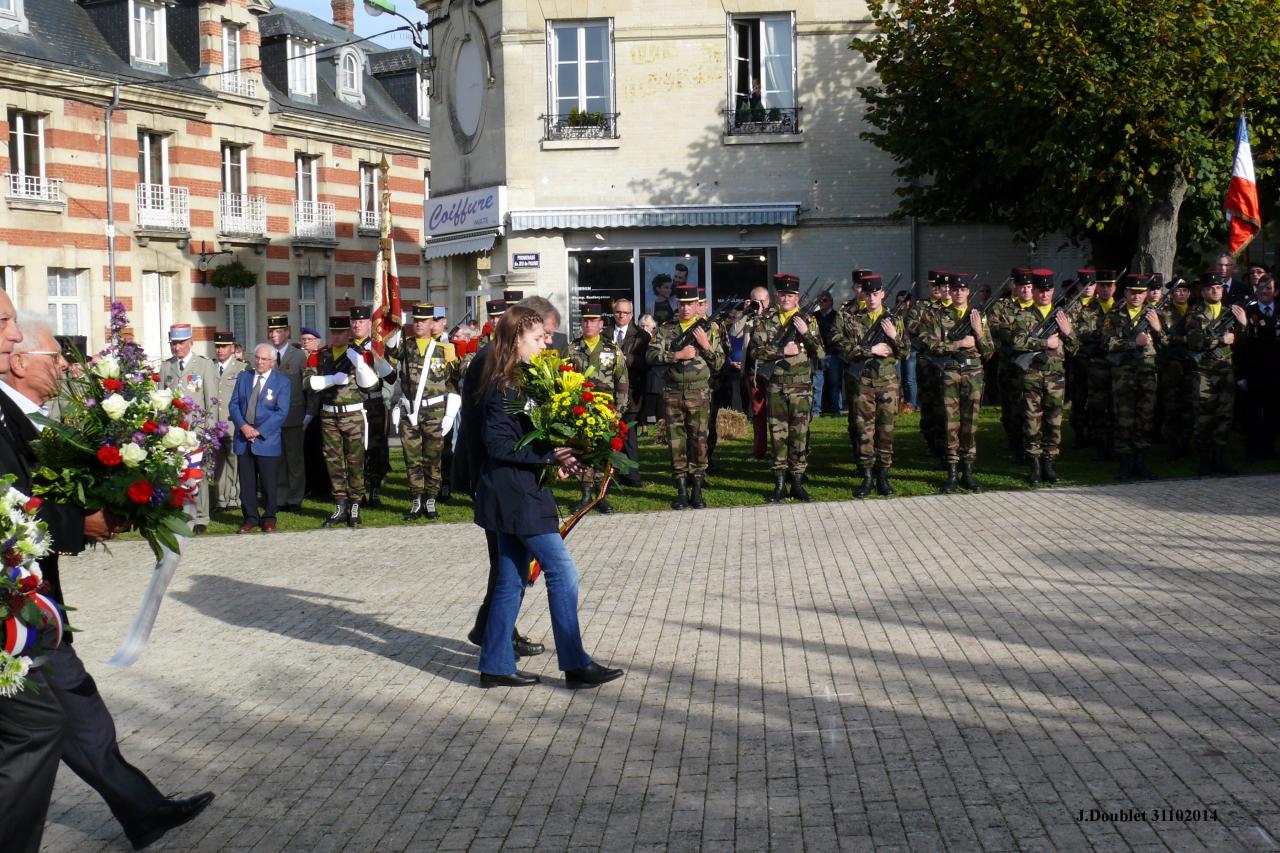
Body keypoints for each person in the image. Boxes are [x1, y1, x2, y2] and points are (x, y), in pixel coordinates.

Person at [0, 305, 213, 852]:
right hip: (15, 612)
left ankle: (143, 811)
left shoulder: (25, 416)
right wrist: (80, 522)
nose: (67, 368)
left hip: (32, 602)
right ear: (20, 361)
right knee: (39, 726)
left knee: (71, 711)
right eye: (56, 356)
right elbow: (11, 509)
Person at [471, 305, 624, 689]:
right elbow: (497, 443)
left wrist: (555, 455)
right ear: (515, 340)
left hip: (516, 490)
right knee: (562, 572)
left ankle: (495, 665)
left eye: (545, 336)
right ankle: (575, 663)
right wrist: (546, 456)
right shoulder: (504, 385)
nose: (547, 343)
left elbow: (524, 438)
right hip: (516, 496)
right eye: (538, 338)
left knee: (510, 579)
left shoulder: (521, 380)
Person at [455, 297, 553, 661]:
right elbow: (493, 432)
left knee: (508, 564)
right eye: (541, 336)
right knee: (509, 564)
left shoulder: (505, 363)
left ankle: (491, 630)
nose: (546, 344)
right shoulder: (492, 365)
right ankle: (496, 634)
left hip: (503, 476)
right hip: (497, 477)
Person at [648, 283, 724, 509]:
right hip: (672, 393)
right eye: (681, 304)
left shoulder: (708, 329)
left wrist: (705, 345)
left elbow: (719, 363)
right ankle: (681, 490)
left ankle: (697, 488)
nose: (685, 309)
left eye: (689, 304)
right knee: (676, 441)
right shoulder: (665, 329)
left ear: (696, 305)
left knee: (699, 441)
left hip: (699, 393)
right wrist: (677, 355)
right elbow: (651, 355)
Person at [752, 273, 824, 503]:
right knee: (778, 434)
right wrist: (783, 352)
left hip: (801, 386)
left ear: (797, 297)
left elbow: (821, 353)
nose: (786, 298)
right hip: (776, 386)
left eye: (790, 295)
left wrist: (805, 333)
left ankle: (798, 483)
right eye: (782, 294)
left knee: (799, 435)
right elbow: (757, 352)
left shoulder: (808, 320)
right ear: (776, 295)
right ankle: (780, 484)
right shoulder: (765, 320)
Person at [305, 315, 383, 528]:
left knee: (355, 460)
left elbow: (371, 386)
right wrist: (330, 379)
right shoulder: (320, 355)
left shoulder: (362, 355)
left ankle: (355, 504)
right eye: (334, 332)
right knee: (333, 461)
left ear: (349, 334)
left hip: (353, 414)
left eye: (341, 332)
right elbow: (307, 381)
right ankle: (340, 504)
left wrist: (359, 365)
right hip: (329, 414)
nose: (337, 336)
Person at [835, 273, 907, 498]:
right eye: (868, 294)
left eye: (876, 294)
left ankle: (883, 476)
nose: (872, 298)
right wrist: (870, 350)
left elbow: (905, 351)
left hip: (887, 382)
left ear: (883, 294)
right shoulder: (851, 317)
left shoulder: (893, 320)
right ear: (863, 295)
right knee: (864, 430)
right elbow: (840, 346)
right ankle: (867, 476)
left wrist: (894, 337)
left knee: (886, 430)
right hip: (862, 383)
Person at [924, 273, 993, 493]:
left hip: (973, 374)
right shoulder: (938, 315)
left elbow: (989, 352)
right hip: (950, 373)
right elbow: (932, 346)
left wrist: (980, 334)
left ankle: (968, 471)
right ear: (949, 292)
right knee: (950, 423)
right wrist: (958, 344)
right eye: (954, 290)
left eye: (962, 290)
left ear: (968, 292)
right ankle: (952, 472)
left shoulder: (977, 316)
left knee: (970, 422)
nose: (958, 293)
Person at [390, 304, 458, 521]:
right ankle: (416, 498)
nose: (418, 324)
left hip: (434, 411)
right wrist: (393, 324)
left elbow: (452, 383)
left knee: (433, 457)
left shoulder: (444, 350)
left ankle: (431, 498)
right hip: (410, 411)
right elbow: (387, 353)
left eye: (423, 321)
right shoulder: (405, 347)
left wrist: (450, 413)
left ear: (432, 323)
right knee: (411, 457)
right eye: (416, 320)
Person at [1010, 270, 1076, 484]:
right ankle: (1034, 465)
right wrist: (1044, 343)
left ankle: (1049, 463)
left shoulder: (1062, 316)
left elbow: (1075, 348)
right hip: (1032, 375)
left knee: (1054, 421)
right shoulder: (1023, 315)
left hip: (1056, 376)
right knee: (1031, 421)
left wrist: (1068, 333)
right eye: (1040, 290)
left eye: (1048, 290)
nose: (1044, 294)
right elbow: (1018, 342)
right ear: (1035, 291)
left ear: (1053, 291)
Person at [1102, 274, 1163, 480]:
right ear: (1126, 293)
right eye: (1133, 292)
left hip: (1146, 373)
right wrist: (1132, 343)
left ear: (1146, 294)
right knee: (1124, 419)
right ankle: (1125, 463)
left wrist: (1158, 329)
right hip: (1124, 374)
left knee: (1145, 418)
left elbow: (1168, 343)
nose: (1137, 296)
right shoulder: (1115, 315)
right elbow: (1107, 343)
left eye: (1141, 293)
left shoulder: (1155, 313)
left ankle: (1141, 461)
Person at [569, 303, 628, 514]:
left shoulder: (612, 349)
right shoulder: (573, 348)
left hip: (606, 409)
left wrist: (619, 409)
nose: (588, 324)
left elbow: (622, 378)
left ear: (601, 324)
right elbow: (564, 377)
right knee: (583, 450)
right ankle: (585, 494)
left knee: (604, 450)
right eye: (585, 320)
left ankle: (602, 495)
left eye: (593, 320)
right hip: (581, 410)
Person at [159, 323, 218, 533]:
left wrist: (209, 430)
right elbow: (162, 399)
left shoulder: (203, 365)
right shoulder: (167, 366)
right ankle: (179, 514)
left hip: (197, 428)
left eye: (181, 343)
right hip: (174, 430)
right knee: (175, 473)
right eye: (174, 344)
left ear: (191, 342)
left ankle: (202, 516)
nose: (177, 348)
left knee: (196, 474)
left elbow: (211, 399)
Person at [1187, 272, 1248, 475]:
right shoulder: (1195, 313)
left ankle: (1220, 459)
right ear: (1203, 291)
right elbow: (1195, 341)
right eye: (1211, 288)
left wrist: (1244, 323)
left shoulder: (1230, 312)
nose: (1215, 291)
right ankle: (1204, 461)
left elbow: (1245, 341)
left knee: (1224, 417)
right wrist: (1220, 340)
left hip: (1225, 371)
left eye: (1219, 287)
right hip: (1204, 372)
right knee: (1204, 417)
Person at [229, 344, 292, 533]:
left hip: (267, 439)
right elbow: (234, 405)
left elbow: (281, 413)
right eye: (257, 357)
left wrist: (259, 431)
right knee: (247, 483)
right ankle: (250, 517)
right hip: (243, 437)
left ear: (272, 362)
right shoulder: (244, 377)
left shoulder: (282, 382)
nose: (259, 362)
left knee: (268, 482)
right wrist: (244, 427)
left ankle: (269, 517)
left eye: (264, 359)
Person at [348, 305, 391, 506]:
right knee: (353, 449)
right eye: (354, 321)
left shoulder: (378, 347)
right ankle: (357, 490)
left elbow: (390, 376)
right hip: (353, 404)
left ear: (369, 324)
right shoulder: (346, 348)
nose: (357, 324)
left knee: (376, 446)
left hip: (373, 402)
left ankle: (374, 488)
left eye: (361, 321)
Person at [266, 315, 310, 510]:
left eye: (278, 331)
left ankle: (295, 497)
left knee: (295, 459)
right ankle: (279, 497)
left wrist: (309, 412)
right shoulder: (265, 354)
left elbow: (307, 385)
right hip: (271, 417)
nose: (274, 335)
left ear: (287, 332)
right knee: (277, 459)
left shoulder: (299, 355)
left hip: (293, 414)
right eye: (272, 331)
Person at [1239, 274, 1280, 458]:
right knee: (1253, 412)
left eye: (1268, 288)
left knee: (1273, 412)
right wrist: (1241, 375)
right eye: (1261, 288)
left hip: (1276, 371)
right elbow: (1241, 345)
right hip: (1254, 371)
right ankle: (1253, 450)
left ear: (1276, 291)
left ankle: (1269, 448)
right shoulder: (1248, 312)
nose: (1264, 291)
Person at [611, 298, 648, 486]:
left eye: (624, 313)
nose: (620, 315)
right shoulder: (605, 334)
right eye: (617, 312)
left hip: (631, 393)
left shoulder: (641, 336)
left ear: (631, 315)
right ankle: (612, 474)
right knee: (610, 435)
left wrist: (628, 359)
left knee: (629, 436)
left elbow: (648, 362)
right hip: (608, 393)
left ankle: (632, 475)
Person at [1157, 277, 1195, 458]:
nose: (1182, 293)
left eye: (1185, 291)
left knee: (1190, 405)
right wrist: (1182, 340)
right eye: (1178, 291)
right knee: (1172, 406)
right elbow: (1161, 338)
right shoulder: (1162, 312)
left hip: (1191, 364)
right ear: (1171, 294)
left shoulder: (1195, 311)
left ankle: (1186, 444)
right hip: (1172, 365)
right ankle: (1172, 445)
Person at [1064, 270, 1098, 448]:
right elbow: (1069, 334)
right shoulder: (1071, 307)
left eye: (1091, 284)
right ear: (1078, 286)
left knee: (1096, 398)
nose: (1087, 288)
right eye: (1084, 284)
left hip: (1097, 360)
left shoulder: (1101, 306)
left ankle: (1094, 433)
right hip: (1078, 359)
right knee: (1078, 398)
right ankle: (1078, 433)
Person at [211, 330, 244, 511]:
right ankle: (220, 498)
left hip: (232, 422)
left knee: (234, 460)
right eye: (217, 347)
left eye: (223, 346)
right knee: (217, 463)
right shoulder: (210, 367)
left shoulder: (241, 369)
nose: (220, 350)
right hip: (215, 423)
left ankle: (234, 497)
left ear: (232, 348)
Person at [298, 327, 330, 500]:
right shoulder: (301, 357)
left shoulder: (321, 356)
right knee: (307, 453)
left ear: (318, 340)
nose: (305, 342)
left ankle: (322, 488)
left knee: (319, 452)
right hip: (303, 409)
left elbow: (316, 389)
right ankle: (310, 486)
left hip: (317, 411)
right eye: (303, 339)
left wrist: (311, 413)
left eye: (309, 339)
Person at [815, 291, 843, 415]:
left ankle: (836, 409)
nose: (822, 302)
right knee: (817, 383)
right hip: (818, 353)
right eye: (820, 300)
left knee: (834, 383)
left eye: (824, 300)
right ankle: (816, 410)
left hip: (834, 353)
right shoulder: (814, 315)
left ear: (831, 301)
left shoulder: (838, 316)